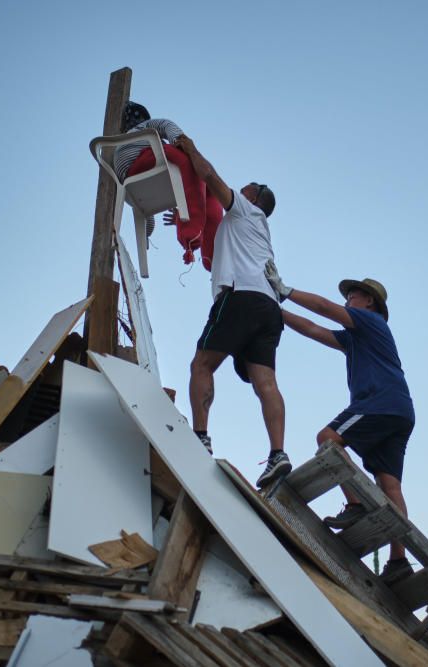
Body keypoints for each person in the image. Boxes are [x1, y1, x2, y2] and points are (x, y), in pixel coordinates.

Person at [265, 261, 416, 583]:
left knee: (328, 438)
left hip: (379, 402)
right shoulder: (356, 338)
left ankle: (356, 503)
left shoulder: (370, 321)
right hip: (399, 410)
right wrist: (274, 309)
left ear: (368, 301)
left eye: (353, 295)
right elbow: (313, 329)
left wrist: (286, 291)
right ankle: (399, 561)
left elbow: (323, 308)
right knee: (390, 486)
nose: (348, 299)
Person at [173, 134, 291, 489]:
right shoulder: (254, 230)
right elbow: (209, 222)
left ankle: (201, 436)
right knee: (265, 382)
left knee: (202, 364)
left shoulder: (244, 208)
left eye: (247, 187)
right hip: (269, 307)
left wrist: (188, 146)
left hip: (240, 297)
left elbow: (208, 175)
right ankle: (278, 454)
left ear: (253, 196)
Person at [113, 102, 223, 268]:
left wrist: (146, 233)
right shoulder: (144, 127)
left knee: (205, 191)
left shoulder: (119, 144)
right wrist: (180, 141)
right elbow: (166, 125)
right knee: (192, 163)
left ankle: (148, 242)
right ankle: (193, 236)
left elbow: (144, 212)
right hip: (141, 159)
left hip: (128, 182)